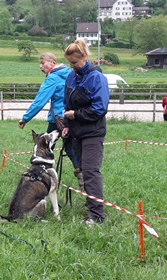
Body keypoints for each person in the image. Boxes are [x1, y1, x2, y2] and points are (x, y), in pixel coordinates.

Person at [18, 52, 83, 188]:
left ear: (52, 63)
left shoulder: (52, 78)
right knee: (70, 148)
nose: (40, 67)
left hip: (58, 120)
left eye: (43, 63)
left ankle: (36, 176)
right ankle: (82, 177)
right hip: (71, 116)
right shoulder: (70, 74)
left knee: (44, 146)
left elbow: (40, 101)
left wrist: (25, 118)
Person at [63, 39, 110, 225]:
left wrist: (76, 115)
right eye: (69, 63)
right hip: (76, 132)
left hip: (93, 132)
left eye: (74, 62)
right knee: (83, 170)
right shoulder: (70, 76)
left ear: (84, 57)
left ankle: (97, 215)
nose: (72, 66)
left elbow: (100, 108)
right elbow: (68, 103)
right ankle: (90, 203)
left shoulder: (97, 78)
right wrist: (67, 123)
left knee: (91, 172)